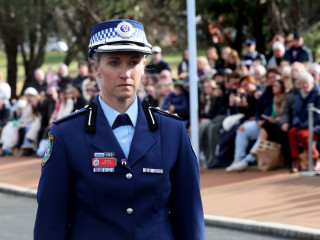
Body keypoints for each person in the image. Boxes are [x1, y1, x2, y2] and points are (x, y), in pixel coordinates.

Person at [34, 19, 205, 240]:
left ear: (144, 66)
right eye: (114, 63)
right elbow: (50, 222)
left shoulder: (173, 131)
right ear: (96, 68)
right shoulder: (67, 134)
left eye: (133, 62)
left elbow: (189, 215)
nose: (125, 73)